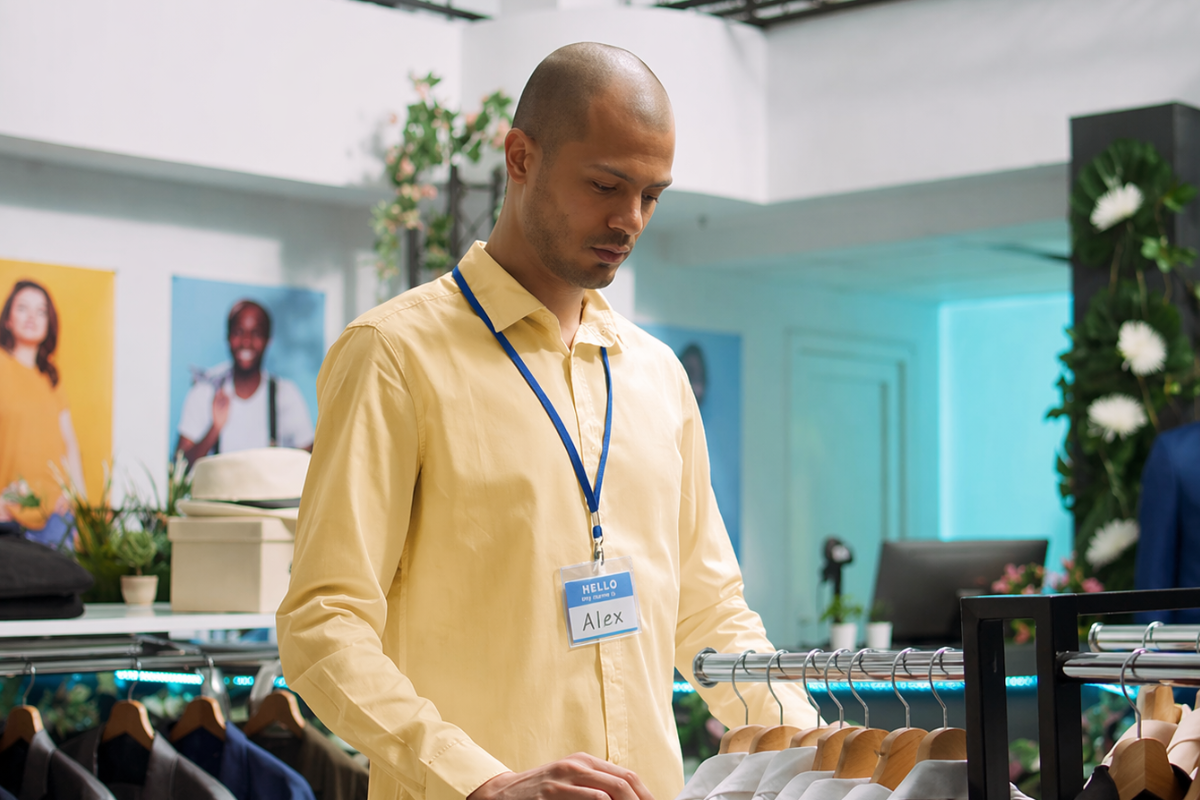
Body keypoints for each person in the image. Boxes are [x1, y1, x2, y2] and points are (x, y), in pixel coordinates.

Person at [277, 42, 816, 800]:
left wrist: (816, 748)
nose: (629, 219)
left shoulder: (657, 375)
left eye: (652, 196)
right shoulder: (393, 356)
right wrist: (482, 782)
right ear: (520, 157)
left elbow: (710, 608)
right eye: (605, 185)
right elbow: (321, 626)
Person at [176, 300, 314, 466]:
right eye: (238, 332)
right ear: (228, 337)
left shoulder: (285, 395)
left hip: (270, 492)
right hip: (217, 492)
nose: (246, 341)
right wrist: (215, 429)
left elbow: (310, 465)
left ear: (268, 340)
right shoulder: (206, 391)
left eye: (255, 333)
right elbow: (179, 467)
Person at [0, 280, 87, 543]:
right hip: (7, 513)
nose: (32, 317)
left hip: (56, 515)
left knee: (61, 584)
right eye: (23, 308)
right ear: (8, 320)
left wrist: (79, 504)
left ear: (49, 322)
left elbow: (70, 444)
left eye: (41, 311)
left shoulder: (51, 378)